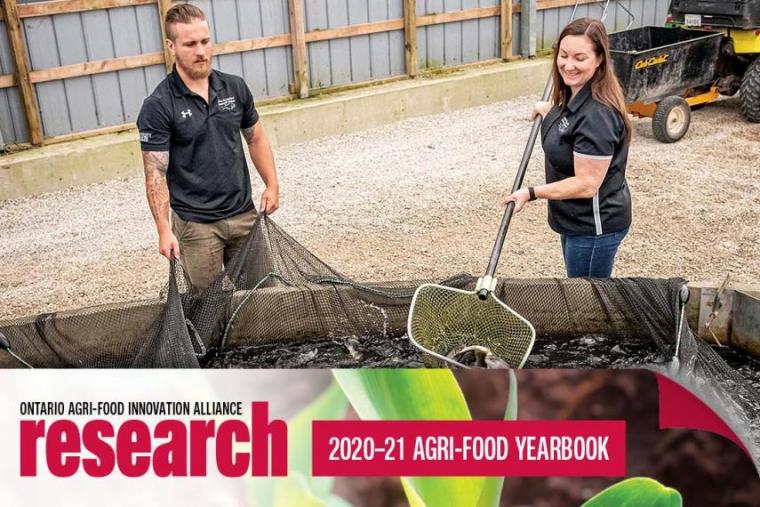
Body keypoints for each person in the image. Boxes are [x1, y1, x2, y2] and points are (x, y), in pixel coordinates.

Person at [137, 3, 279, 290]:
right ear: (171, 46)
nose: (201, 51)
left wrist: (272, 185)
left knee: (264, 297)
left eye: (205, 41)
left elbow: (256, 138)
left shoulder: (234, 88)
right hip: (196, 226)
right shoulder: (159, 105)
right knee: (208, 307)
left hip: (244, 215)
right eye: (190, 44)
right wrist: (164, 230)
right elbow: (155, 173)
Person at [502, 17, 632, 278]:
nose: (568, 65)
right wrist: (550, 111)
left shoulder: (598, 116)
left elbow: (586, 184)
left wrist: (530, 192)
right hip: (574, 220)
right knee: (580, 293)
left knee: (587, 301)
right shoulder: (576, 94)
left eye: (580, 58)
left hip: (594, 226)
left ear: (599, 61)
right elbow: (571, 123)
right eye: (563, 55)